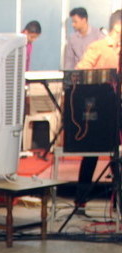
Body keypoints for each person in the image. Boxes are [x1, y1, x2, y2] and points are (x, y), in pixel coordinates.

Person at [73, 10, 121, 214]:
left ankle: (118, 204)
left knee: (117, 157)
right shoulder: (98, 47)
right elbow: (80, 71)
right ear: (118, 27)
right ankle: (80, 201)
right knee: (91, 155)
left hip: (119, 108)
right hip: (101, 109)